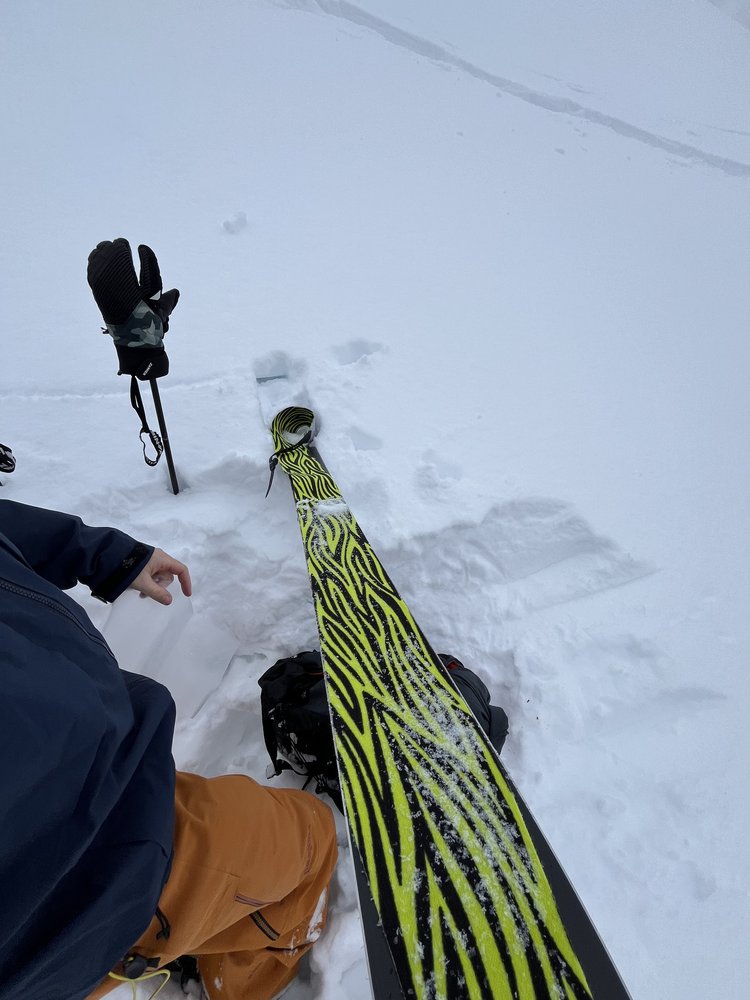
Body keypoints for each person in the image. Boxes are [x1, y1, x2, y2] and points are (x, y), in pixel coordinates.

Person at [0, 499, 337, 1000]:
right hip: (96, 871)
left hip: (101, 785)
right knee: (312, 837)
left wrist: (103, 555)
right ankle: (238, 984)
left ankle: (198, 935)